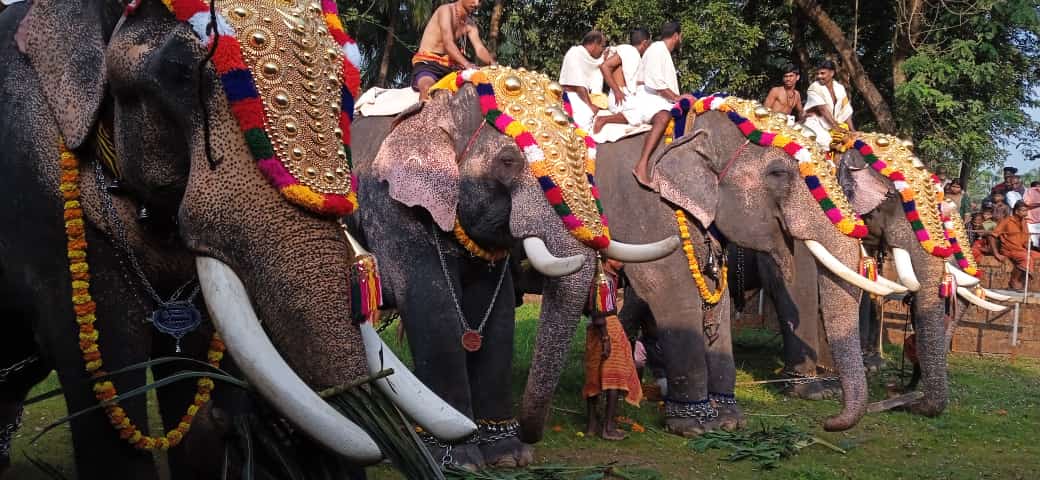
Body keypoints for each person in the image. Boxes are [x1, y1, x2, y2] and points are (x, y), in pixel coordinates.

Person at [629, 21, 683, 188]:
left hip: (657, 98)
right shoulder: (657, 49)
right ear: (676, 36)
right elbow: (655, 83)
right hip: (647, 98)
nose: (681, 39)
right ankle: (642, 165)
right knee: (663, 117)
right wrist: (676, 98)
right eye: (681, 36)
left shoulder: (662, 51)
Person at [412, 0, 494, 100]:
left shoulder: (470, 24)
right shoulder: (445, 10)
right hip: (428, 63)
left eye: (480, 1)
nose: (477, 4)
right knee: (428, 89)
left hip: (450, 66)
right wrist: (467, 65)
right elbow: (448, 43)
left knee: (479, 87)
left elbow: (480, 48)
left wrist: (495, 66)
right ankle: (423, 114)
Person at [592, 27, 652, 133]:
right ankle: (602, 120)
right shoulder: (629, 51)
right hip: (620, 98)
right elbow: (604, 66)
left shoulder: (632, 54)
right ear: (645, 43)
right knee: (640, 113)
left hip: (622, 96)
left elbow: (631, 80)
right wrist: (617, 91)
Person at [559, 31, 608, 132]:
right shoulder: (575, 53)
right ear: (595, 43)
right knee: (585, 120)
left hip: (584, 97)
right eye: (602, 46)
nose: (602, 50)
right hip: (571, 96)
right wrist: (590, 105)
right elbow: (579, 85)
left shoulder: (588, 57)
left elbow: (597, 63)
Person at [803, 60, 854, 149]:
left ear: (832, 73)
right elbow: (823, 110)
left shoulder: (839, 88)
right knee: (826, 141)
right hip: (817, 123)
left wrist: (852, 130)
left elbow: (846, 110)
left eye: (822, 73)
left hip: (835, 123)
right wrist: (837, 128)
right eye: (817, 74)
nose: (819, 76)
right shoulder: (814, 88)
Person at [991, 202, 1036, 289]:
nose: (1026, 213)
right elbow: (992, 236)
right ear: (1016, 211)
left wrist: (1028, 245)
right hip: (1009, 250)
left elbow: (1025, 239)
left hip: (1021, 249)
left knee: (1036, 256)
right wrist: (996, 254)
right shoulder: (1007, 221)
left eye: (1026, 210)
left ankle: (1025, 279)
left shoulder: (1024, 222)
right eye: (1023, 211)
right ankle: (1014, 280)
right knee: (1026, 258)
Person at [1022, 181, 1040, 248]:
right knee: (1034, 243)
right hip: (1031, 222)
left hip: (1037, 221)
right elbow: (1027, 203)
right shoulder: (1029, 191)